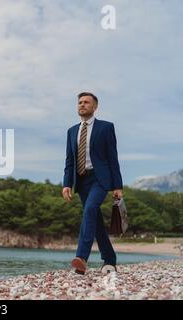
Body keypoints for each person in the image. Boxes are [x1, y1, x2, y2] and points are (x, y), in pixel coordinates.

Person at [62, 92, 123, 275]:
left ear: (95, 106)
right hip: (81, 181)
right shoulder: (72, 131)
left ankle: (81, 258)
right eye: (80, 102)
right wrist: (67, 184)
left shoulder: (106, 128)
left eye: (86, 102)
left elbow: (113, 158)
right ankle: (109, 259)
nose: (82, 105)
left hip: (100, 179)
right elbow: (69, 160)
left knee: (89, 210)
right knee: (95, 220)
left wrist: (118, 186)